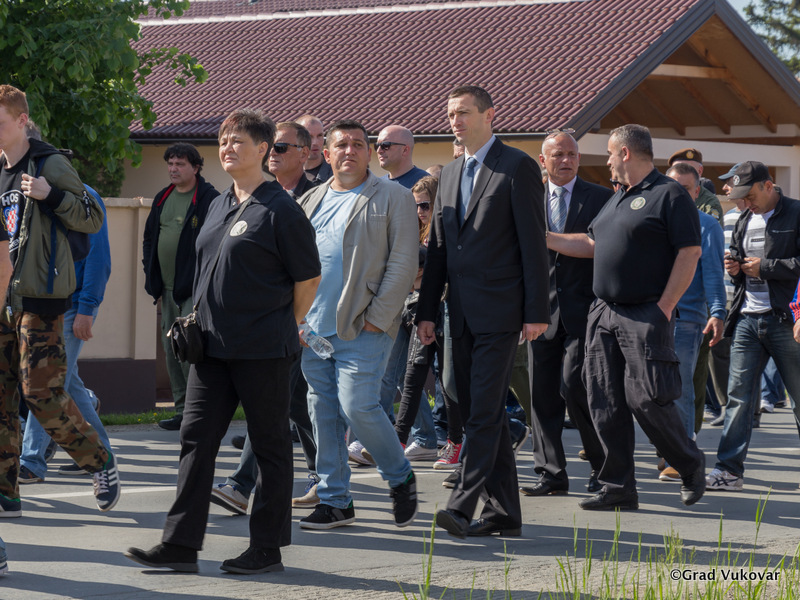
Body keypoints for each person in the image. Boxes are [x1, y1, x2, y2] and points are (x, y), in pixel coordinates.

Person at [125, 108, 321, 574]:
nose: (228, 147)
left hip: (262, 350)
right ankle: (180, 544)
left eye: (238, 140)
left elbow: (308, 279)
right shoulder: (217, 204)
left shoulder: (281, 210)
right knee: (195, 440)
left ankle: (266, 548)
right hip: (210, 349)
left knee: (270, 446)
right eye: (223, 140)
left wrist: (282, 323)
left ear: (263, 150)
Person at [545, 124, 706, 511]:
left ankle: (689, 463)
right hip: (603, 312)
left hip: (645, 312)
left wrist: (665, 306)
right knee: (603, 399)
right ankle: (618, 487)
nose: (607, 162)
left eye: (610, 154)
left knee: (647, 398)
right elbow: (591, 243)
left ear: (626, 153)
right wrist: (543, 236)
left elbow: (690, 252)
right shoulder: (617, 197)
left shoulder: (669, 194)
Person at [416, 85, 549, 539]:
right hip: (459, 313)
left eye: (464, 112)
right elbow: (438, 249)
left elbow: (533, 244)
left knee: (484, 411)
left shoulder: (517, 166)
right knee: (478, 409)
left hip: (502, 311)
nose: (455, 121)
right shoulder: (451, 172)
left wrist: (536, 311)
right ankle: (504, 513)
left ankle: (461, 504)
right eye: (450, 113)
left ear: (490, 115)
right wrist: (427, 311)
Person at [0, 84, 118, 517]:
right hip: (5, 299)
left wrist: (50, 194)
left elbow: (93, 217)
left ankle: (99, 462)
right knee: (2, 401)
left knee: (41, 394)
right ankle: (6, 492)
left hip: (42, 297)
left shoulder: (50, 164)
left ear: (21, 121)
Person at [297, 119, 419, 530]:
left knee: (357, 405)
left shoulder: (393, 196)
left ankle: (399, 476)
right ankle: (335, 501)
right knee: (323, 413)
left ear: (368, 153)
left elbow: (403, 262)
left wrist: (378, 319)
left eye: (357, 144)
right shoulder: (310, 199)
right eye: (340, 145)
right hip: (314, 330)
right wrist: (296, 319)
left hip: (363, 324)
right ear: (327, 154)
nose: (348, 151)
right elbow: (294, 264)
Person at [211, 121, 322, 513]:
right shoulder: (245, 195)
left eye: (281, 147)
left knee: (276, 410)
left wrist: (292, 319)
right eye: (272, 146)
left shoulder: (315, 195)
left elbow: (311, 271)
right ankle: (324, 476)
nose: (273, 153)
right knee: (296, 404)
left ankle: (242, 485)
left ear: (305, 153)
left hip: (295, 319)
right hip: (275, 323)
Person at [520, 131, 610, 498]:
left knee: (576, 387)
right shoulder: (526, 198)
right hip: (538, 312)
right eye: (558, 154)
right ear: (543, 160)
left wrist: (543, 236)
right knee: (541, 396)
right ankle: (551, 473)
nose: (566, 160)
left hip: (584, 311)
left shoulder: (601, 198)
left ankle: (603, 468)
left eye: (572, 154)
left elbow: (601, 247)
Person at [707, 161, 800, 491]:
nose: (745, 202)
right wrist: (735, 268)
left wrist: (766, 267)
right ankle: (728, 471)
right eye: (741, 197)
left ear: (768, 185)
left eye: (750, 195)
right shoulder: (745, 218)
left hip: (786, 319)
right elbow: (741, 261)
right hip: (748, 317)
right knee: (738, 399)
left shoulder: (796, 213)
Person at [19, 188, 112, 483]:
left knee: (46, 380)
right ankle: (101, 456)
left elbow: (99, 258)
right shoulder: (31, 193)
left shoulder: (84, 196)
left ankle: (31, 461)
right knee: (68, 382)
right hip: (46, 304)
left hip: (73, 306)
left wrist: (87, 308)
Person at [367, 124, 438, 464]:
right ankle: (424, 437)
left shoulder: (424, 184)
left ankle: (382, 440)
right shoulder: (379, 187)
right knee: (398, 374)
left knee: (405, 374)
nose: (379, 150)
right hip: (391, 293)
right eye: (377, 144)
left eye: (386, 144)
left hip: (423, 299)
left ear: (406, 148)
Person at [657, 163, 726, 482]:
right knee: (655, 387)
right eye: (673, 187)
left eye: (685, 189)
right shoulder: (655, 220)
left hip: (687, 318)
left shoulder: (707, 224)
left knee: (680, 385)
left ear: (697, 192)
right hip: (653, 316)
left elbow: (713, 273)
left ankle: (681, 454)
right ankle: (669, 449)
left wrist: (718, 312)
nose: (678, 194)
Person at [142, 143, 218, 431]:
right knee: (171, 349)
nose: (173, 169)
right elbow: (149, 239)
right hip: (166, 290)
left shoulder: (209, 199)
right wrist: (151, 275)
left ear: (195, 167)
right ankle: (181, 411)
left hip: (195, 291)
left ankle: (201, 412)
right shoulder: (162, 198)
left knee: (192, 349)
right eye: (170, 164)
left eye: (180, 164)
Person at [393, 176, 463, 469]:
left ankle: (456, 443)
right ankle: (397, 442)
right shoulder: (419, 232)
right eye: (415, 206)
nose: (419, 211)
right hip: (421, 313)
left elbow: (432, 269)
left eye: (424, 205)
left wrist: (418, 273)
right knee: (412, 378)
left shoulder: (448, 230)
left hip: (446, 312)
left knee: (448, 383)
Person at [296, 114, 333, 184]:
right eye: (309, 137)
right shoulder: (285, 171)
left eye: (320, 135)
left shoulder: (336, 174)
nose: (315, 142)